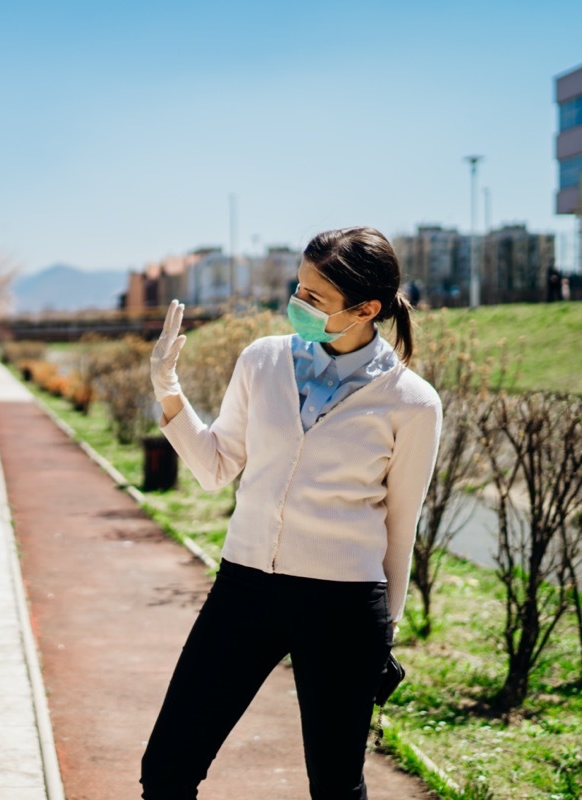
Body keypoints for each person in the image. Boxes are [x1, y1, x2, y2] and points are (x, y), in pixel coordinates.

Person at [141, 226, 442, 800]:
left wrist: (387, 629)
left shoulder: (412, 402)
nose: (297, 306)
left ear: (366, 309)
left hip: (344, 604)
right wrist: (169, 388)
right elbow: (215, 467)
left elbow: (401, 527)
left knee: (334, 784)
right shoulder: (262, 361)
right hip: (245, 586)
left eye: (315, 298)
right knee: (168, 767)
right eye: (298, 290)